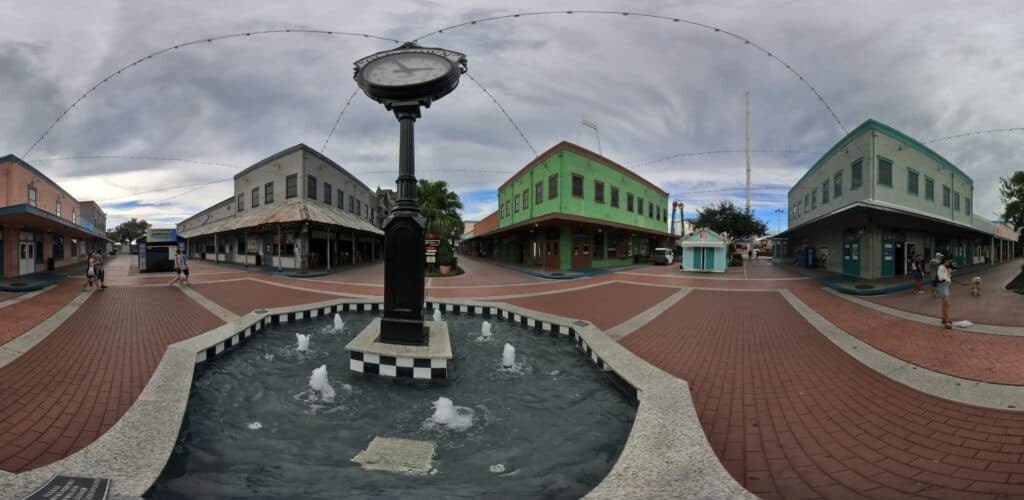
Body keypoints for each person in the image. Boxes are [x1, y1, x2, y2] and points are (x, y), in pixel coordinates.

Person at [938, 255, 954, 329]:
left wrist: (950, 272)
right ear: (945, 260)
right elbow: (940, 276)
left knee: (944, 304)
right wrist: (944, 279)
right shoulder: (941, 267)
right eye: (949, 261)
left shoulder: (946, 268)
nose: (950, 263)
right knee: (946, 304)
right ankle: (947, 321)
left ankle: (944, 318)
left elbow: (948, 276)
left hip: (946, 286)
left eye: (950, 261)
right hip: (943, 286)